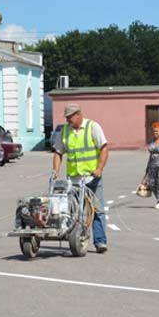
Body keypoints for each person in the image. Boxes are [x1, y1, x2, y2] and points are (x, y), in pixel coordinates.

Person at [52, 103, 109, 253]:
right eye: (66, 118)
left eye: (70, 117)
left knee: (97, 209)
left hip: (92, 177)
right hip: (73, 179)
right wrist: (55, 171)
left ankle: (100, 242)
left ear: (78, 115)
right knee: (72, 211)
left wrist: (99, 168)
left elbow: (104, 148)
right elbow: (58, 152)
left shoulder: (92, 127)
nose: (68, 120)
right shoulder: (64, 131)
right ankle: (75, 238)